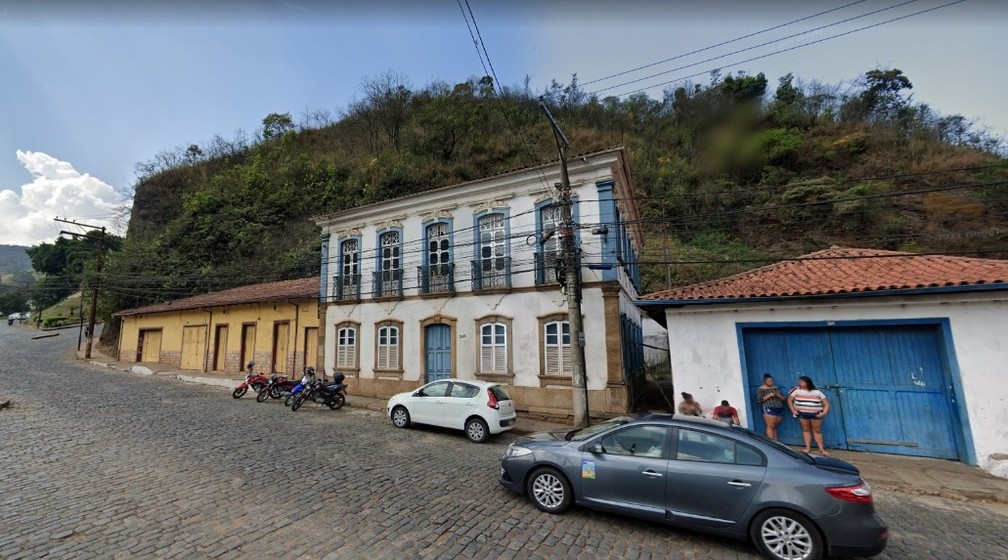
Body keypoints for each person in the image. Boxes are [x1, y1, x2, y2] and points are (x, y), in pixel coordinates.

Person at [788, 375, 831, 455]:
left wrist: (824, 413)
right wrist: (793, 410)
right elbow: (790, 400)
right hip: (802, 414)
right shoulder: (796, 390)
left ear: (808, 383)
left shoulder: (817, 391)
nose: (799, 383)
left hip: (816, 414)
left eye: (802, 382)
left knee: (817, 431)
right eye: (799, 382)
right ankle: (807, 448)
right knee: (806, 430)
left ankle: (821, 449)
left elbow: (826, 404)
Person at [756, 374, 786, 441]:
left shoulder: (776, 388)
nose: (771, 382)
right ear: (765, 381)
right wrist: (770, 395)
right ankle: (771, 442)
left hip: (779, 408)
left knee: (775, 426)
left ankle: (775, 441)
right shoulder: (761, 389)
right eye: (769, 381)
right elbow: (759, 400)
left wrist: (777, 395)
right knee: (770, 426)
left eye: (771, 381)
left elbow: (783, 398)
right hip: (769, 408)